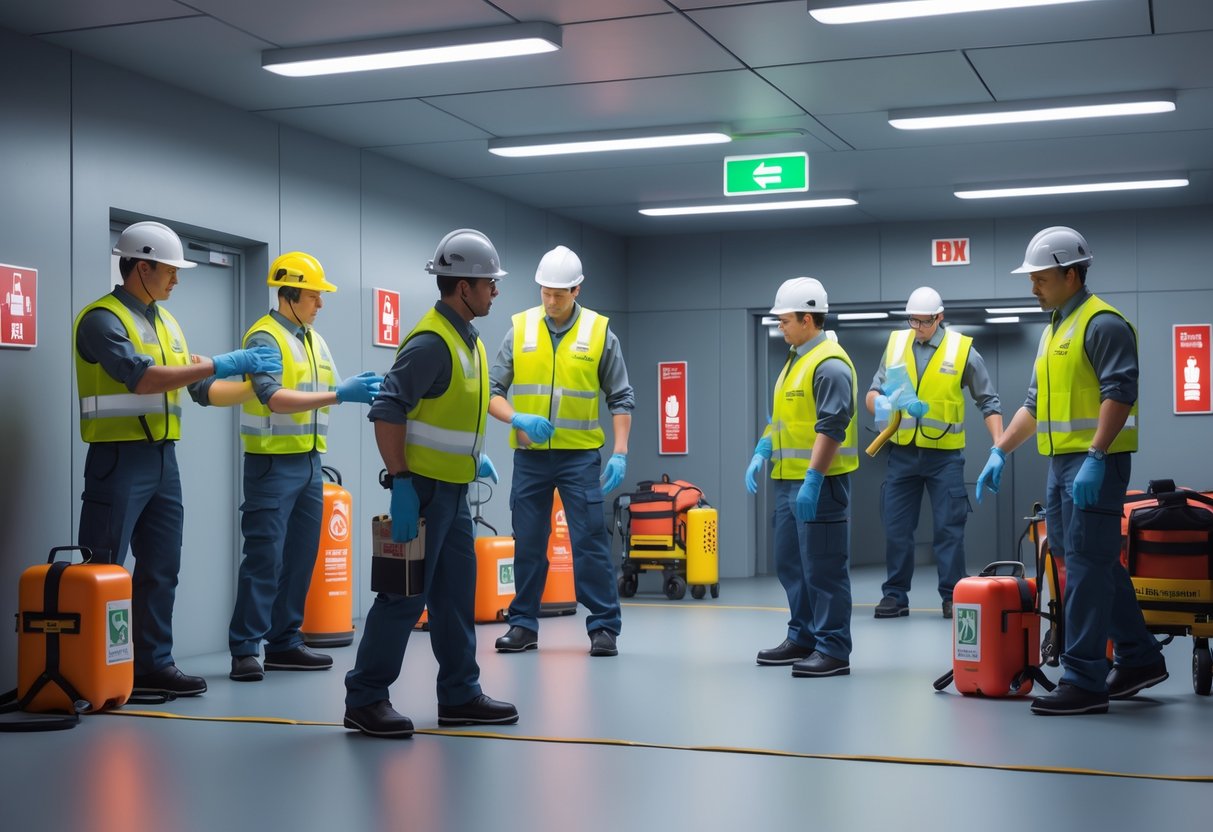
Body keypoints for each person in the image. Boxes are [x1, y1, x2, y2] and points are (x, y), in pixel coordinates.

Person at [75, 220, 281, 697]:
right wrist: (225, 361)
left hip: (163, 461)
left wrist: (257, 387)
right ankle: (86, 669)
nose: (176, 279)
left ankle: (153, 664)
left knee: (162, 568)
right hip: (117, 459)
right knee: (102, 568)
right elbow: (142, 379)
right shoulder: (102, 320)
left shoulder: (167, 324)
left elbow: (203, 390)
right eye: (169, 270)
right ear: (141, 267)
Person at [975, 226, 1167, 716]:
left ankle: (1084, 679)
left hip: (1095, 463)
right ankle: (1140, 657)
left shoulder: (1103, 324)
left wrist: (1097, 456)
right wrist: (1000, 451)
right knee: (1083, 561)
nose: (1033, 287)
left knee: (1085, 566)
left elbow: (1119, 393)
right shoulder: (1054, 329)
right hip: (1062, 465)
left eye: (1040, 278)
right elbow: (1033, 405)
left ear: (1071, 274)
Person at [344, 229, 517, 738]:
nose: (495, 291)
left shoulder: (468, 339)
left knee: (455, 599)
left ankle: (460, 695)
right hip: (420, 494)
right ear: (463, 287)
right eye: (488, 283)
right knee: (402, 598)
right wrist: (400, 480)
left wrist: (474, 459)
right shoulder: (430, 343)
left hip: (454, 492)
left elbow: (450, 412)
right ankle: (365, 699)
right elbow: (387, 409)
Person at [228, 252, 382, 682]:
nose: (321, 303)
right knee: (264, 558)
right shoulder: (264, 338)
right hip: (271, 463)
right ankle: (245, 649)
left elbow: (322, 389)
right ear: (290, 295)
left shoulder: (313, 339)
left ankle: (283, 643)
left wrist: (351, 389)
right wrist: (340, 395)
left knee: (300, 558)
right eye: (314, 295)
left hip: (310, 462)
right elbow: (274, 398)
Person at [489, 245, 634, 658]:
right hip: (530, 458)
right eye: (545, 292)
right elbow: (492, 392)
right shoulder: (520, 329)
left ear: (576, 290)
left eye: (559, 294)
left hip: (579, 459)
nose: (551, 301)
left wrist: (620, 451)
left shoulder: (599, 332)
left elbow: (621, 397)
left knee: (588, 541)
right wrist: (517, 418)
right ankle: (522, 625)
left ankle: (603, 627)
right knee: (528, 542)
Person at [745, 277, 858, 677]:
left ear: (807, 319)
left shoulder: (830, 364)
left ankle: (833, 649)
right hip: (787, 481)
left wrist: (813, 478)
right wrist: (762, 450)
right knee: (792, 565)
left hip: (821, 485)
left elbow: (832, 428)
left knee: (824, 569)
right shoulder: (795, 359)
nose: (780, 327)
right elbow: (781, 419)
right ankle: (803, 637)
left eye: (785, 320)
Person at [867, 287, 1003, 619]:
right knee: (897, 528)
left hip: (945, 457)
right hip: (901, 454)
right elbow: (872, 392)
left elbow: (989, 402)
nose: (917, 327)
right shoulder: (896, 344)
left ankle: (953, 595)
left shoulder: (962, 350)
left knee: (948, 529)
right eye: (912, 320)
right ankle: (895, 595)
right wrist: (884, 404)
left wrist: (998, 447)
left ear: (939, 317)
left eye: (924, 322)